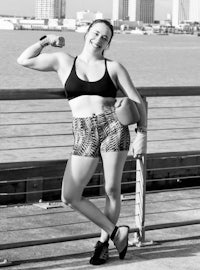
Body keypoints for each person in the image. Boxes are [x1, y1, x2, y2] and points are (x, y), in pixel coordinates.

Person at [17, 19, 147, 265]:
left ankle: (102, 245)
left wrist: (142, 134)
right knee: (69, 195)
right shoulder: (63, 60)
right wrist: (46, 41)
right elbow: (23, 59)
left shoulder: (114, 67)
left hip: (114, 127)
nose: (98, 39)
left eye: (105, 37)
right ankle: (115, 231)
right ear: (87, 33)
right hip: (84, 131)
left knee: (111, 189)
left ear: (109, 43)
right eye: (95, 33)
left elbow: (137, 100)